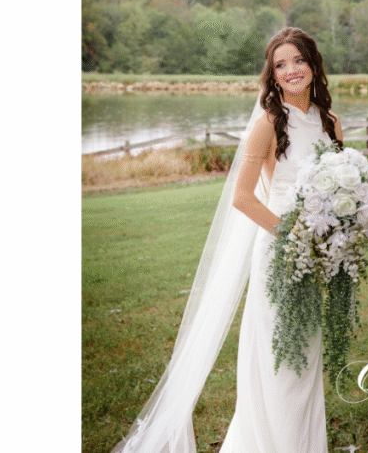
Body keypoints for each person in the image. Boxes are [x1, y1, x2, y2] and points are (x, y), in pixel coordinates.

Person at [111, 28, 342, 453]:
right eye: (280, 64)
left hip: (319, 254)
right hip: (282, 252)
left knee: (306, 360)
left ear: (314, 63)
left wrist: (338, 232)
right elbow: (241, 197)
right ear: (271, 76)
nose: (291, 70)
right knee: (282, 365)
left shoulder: (330, 122)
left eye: (298, 60)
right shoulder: (268, 125)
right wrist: (295, 236)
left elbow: (337, 189)